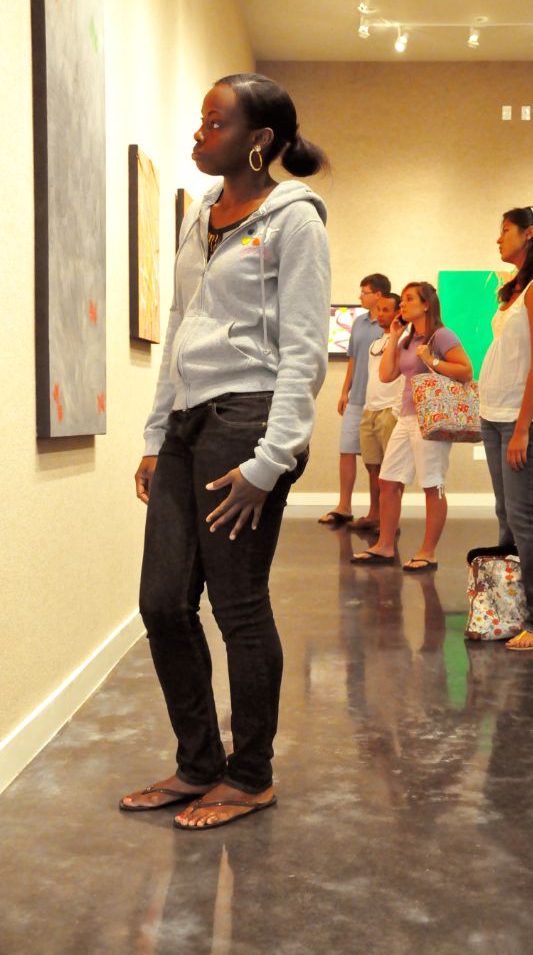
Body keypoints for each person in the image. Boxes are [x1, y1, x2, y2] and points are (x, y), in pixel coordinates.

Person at [119, 73, 331, 829]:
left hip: (251, 420)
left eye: (214, 124)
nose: (198, 136)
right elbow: (178, 328)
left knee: (238, 606)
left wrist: (272, 462)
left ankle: (250, 774)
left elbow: (306, 349)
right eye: (200, 122)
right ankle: (197, 763)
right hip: (186, 424)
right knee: (163, 602)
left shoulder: (293, 221)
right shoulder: (201, 215)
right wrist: (154, 434)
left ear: (259, 141)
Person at [478, 206, 533, 651]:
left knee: (524, 518)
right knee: (506, 516)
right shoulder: (514, 289)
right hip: (495, 415)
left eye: (505, 231)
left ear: (529, 234)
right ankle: (510, 610)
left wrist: (522, 429)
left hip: (521, 419)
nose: (498, 239)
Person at [351, 282, 473, 572]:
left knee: (433, 485)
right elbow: (386, 374)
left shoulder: (441, 336)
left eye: (408, 300)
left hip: (430, 420)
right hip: (405, 417)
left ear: (426, 304)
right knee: (388, 480)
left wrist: (432, 360)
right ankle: (384, 545)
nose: (402, 305)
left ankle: (428, 551)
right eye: (402, 300)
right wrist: (394, 336)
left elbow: (466, 370)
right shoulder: (407, 338)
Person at [318, 273, 391, 526]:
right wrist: (343, 391)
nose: (360, 296)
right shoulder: (359, 323)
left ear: (378, 294)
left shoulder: (391, 325)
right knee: (346, 450)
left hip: (379, 401)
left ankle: (378, 512)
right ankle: (344, 506)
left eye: (364, 291)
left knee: (376, 460)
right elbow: (353, 358)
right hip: (357, 398)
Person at [356, 292, 404, 530]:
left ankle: (390, 521)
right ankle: (375, 514)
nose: (381, 314)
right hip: (370, 410)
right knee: (372, 466)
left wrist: (396, 410)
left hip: (390, 411)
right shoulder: (375, 344)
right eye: (379, 310)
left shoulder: (404, 340)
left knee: (391, 470)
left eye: (387, 309)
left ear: (398, 312)